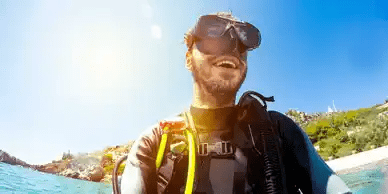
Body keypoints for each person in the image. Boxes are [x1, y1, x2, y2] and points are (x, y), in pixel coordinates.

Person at [118, 12, 352, 194]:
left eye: (240, 46)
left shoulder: (279, 131)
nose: (232, 51)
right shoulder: (155, 142)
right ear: (188, 58)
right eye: (214, 40)